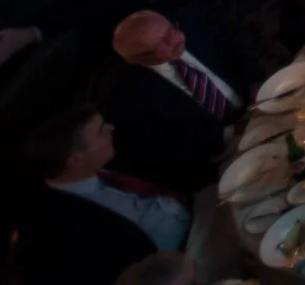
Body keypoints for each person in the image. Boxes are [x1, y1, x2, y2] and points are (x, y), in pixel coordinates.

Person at [14, 108, 186, 285]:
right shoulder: (71, 225)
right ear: (76, 160)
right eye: (100, 130)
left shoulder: (102, 168)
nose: (110, 128)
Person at [100, 8, 254, 195]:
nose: (177, 37)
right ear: (139, 59)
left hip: (257, 103)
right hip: (226, 153)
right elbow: (164, 149)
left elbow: (238, 53)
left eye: (171, 28)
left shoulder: (192, 24)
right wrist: (227, 133)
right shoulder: (125, 96)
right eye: (164, 41)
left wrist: (256, 84)